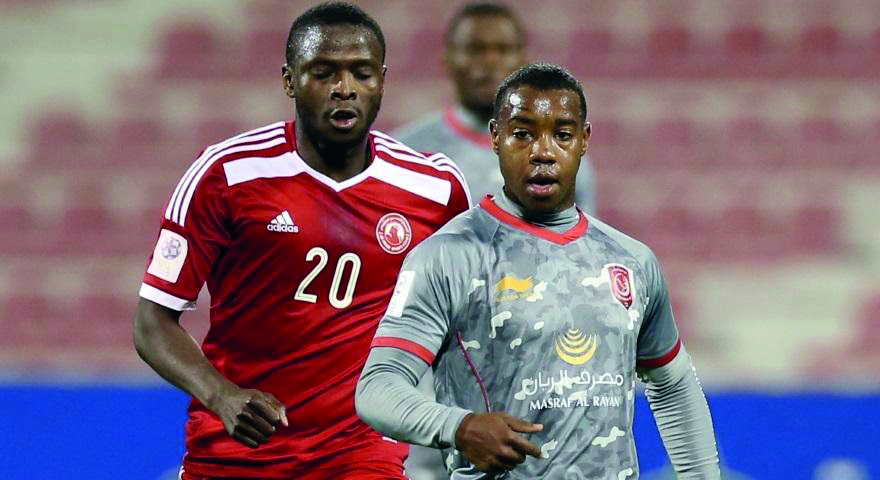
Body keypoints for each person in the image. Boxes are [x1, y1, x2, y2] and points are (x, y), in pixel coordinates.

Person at [132, 3, 470, 479]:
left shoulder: (435, 189)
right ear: (290, 80)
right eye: (323, 72)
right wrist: (220, 394)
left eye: (362, 73)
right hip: (237, 450)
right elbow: (152, 323)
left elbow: (471, 321)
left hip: (360, 449)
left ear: (382, 81)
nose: (344, 89)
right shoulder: (228, 174)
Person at [356, 64, 720, 479]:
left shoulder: (631, 261)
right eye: (523, 134)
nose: (542, 152)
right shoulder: (447, 256)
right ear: (496, 137)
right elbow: (377, 388)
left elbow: (673, 386)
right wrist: (459, 427)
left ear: (584, 141)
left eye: (561, 135)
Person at [393, 2, 596, 213]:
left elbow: (579, 239)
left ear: (523, 61)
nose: (490, 61)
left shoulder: (563, 156)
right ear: (448, 61)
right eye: (475, 49)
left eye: (503, 49)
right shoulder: (407, 152)